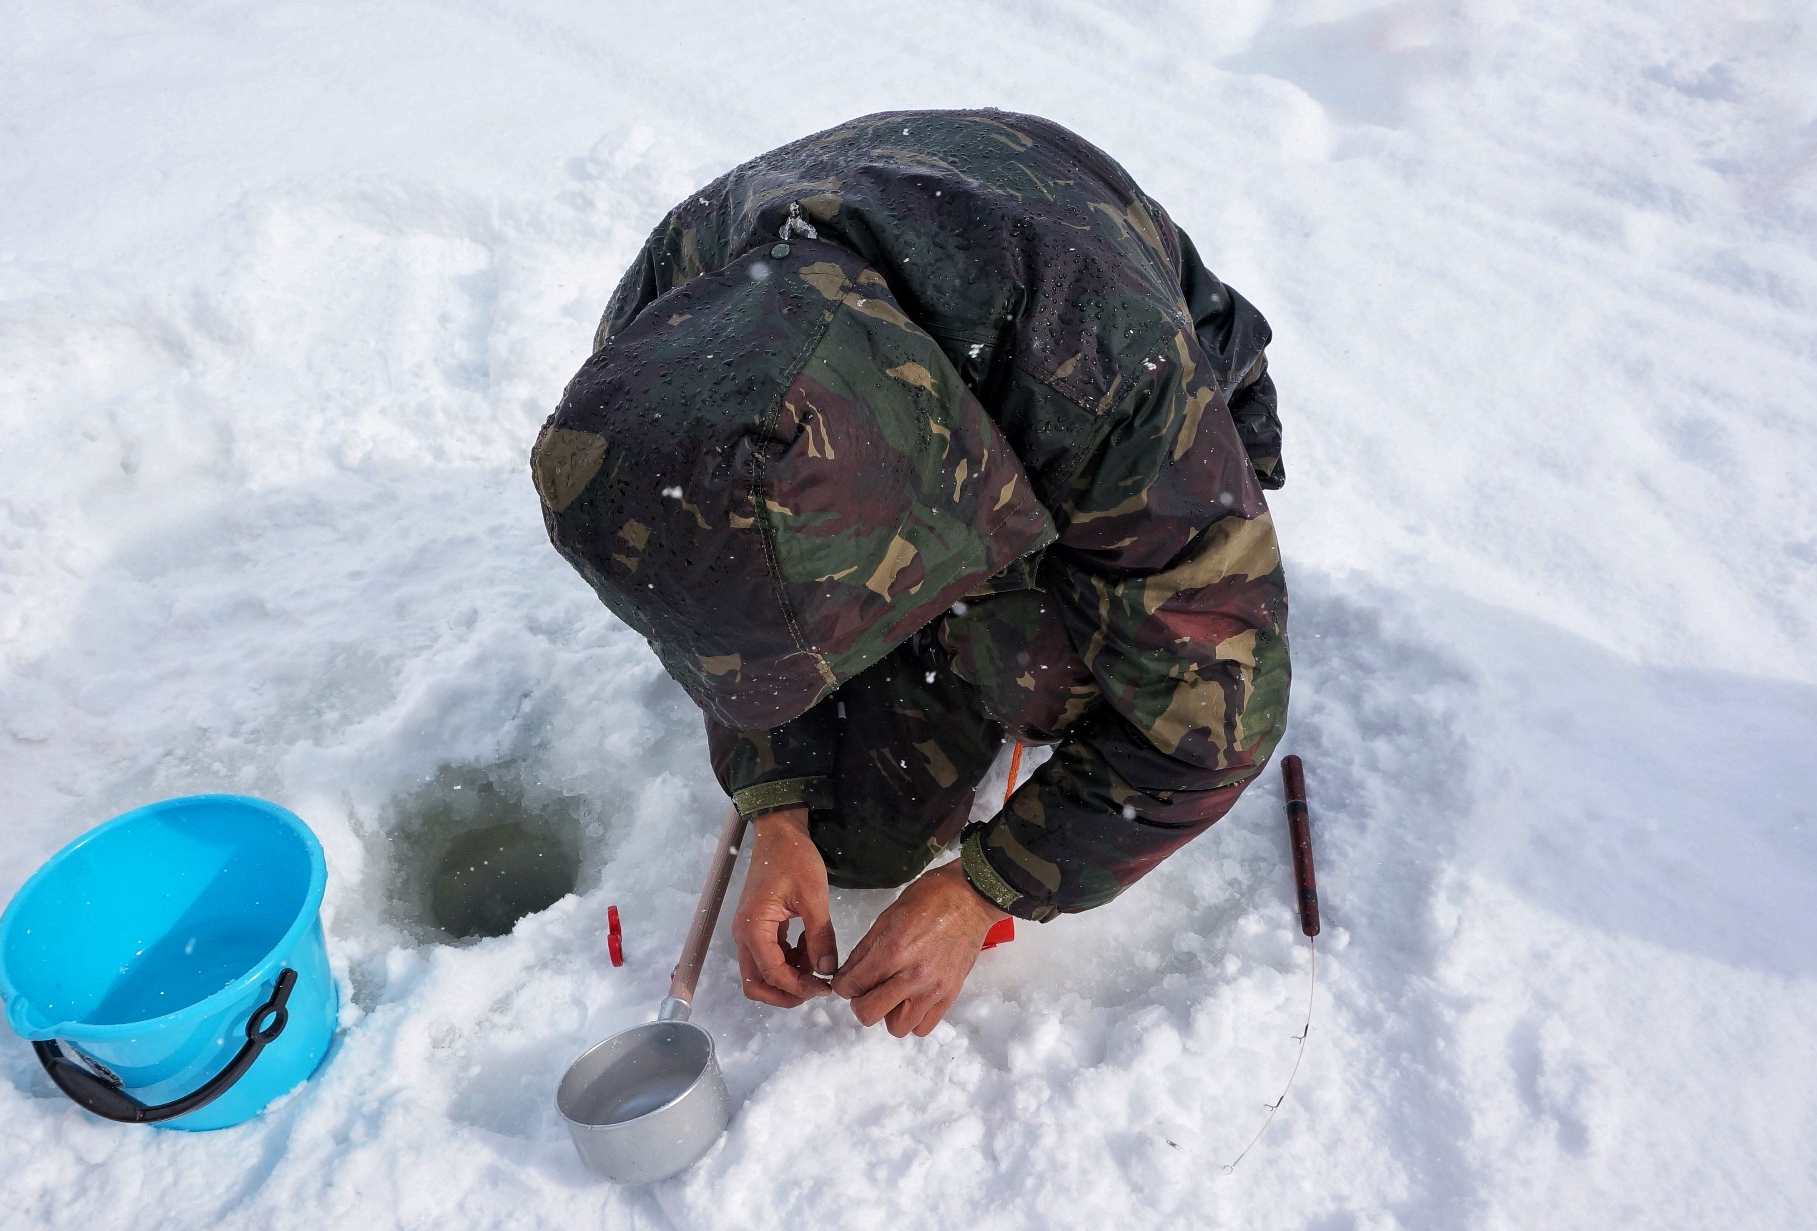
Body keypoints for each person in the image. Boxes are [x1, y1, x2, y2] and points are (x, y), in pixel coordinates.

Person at [533, 109, 1289, 1037]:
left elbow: (1216, 727)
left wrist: (980, 890)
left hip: (1108, 405)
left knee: (1048, 677)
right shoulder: (657, 343)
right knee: (856, 830)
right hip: (906, 357)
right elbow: (716, 594)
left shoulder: (1103, 385)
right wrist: (777, 806)